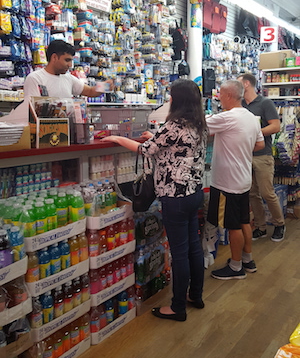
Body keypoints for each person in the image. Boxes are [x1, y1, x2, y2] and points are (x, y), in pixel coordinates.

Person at [103, 79, 207, 322]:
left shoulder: (174, 125)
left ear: (177, 100)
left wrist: (117, 139)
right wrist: (156, 136)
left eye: (171, 96)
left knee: (179, 253)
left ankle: (177, 307)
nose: (169, 99)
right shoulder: (200, 124)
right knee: (193, 247)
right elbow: (171, 145)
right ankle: (196, 295)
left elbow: (145, 150)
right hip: (194, 194)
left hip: (175, 197)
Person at [206, 80, 265, 280]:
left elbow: (197, 127)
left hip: (227, 182)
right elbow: (259, 144)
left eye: (221, 94)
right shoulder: (251, 117)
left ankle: (236, 266)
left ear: (229, 96)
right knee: (243, 221)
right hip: (243, 179)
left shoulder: (226, 117)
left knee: (233, 226)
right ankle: (247, 259)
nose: (219, 98)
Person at [238, 73, 285, 242]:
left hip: (262, 155)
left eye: (238, 84)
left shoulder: (265, 103)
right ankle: (260, 226)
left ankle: (279, 224)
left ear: (246, 84)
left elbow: (275, 126)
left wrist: (254, 133)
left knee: (267, 192)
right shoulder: (240, 105)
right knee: (252, 194)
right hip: (245, 156)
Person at [24, 40, 104, 99]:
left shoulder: (68, 78)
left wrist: (106, 86)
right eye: (67, 60)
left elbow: (90, 91)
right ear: (54, 57)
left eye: (71, 61)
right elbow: (33, 109)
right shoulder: (35, 78)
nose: (70, 65)